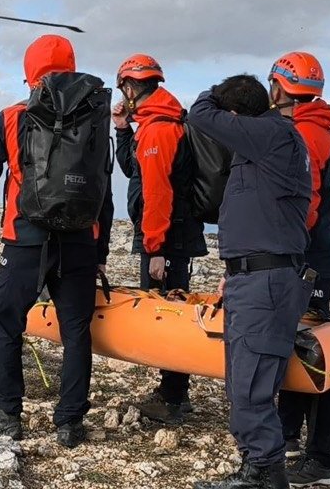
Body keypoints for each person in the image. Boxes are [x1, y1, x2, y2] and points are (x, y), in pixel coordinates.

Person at [0, 34, 113, 449]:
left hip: (25, 240)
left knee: (8, 324)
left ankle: (7, 414)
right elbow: (103, 189)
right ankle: (69, 424)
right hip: (81, 241)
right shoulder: (94, 119)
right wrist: (100, 250)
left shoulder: (12, 117)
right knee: (77, 331)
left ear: (30, 72)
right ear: (72, 65)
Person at [187, 74, 313, 489]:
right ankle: (257, 468)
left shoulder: (272, 134)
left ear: (238, 116)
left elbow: (201, 113)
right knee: (245, 379)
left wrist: (214, 94)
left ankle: (264, 472)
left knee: (251, 385)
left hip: (266, 282)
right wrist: (234, 272)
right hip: (254, 278)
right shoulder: (267, 143)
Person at [111, 53, 208, 425]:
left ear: (132, 87)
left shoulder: (160, 129)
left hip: (167, 238)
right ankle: (171, 391)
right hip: (170, 236)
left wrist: (155, 249)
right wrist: (122, 129)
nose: (123, 94)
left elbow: (157, 194)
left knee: (168, 313)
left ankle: (173, 398)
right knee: (169, 306)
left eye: (124, 88)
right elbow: (133, 170)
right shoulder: (152, 125)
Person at [269, 52, 330, 487]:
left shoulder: (305, 136)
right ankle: (288, 435)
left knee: (313, 350)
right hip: (317, 255)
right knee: (295, 342)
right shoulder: (317, 130)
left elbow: (305, 207)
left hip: (307, 258)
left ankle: (322, 459)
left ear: (280, 87)